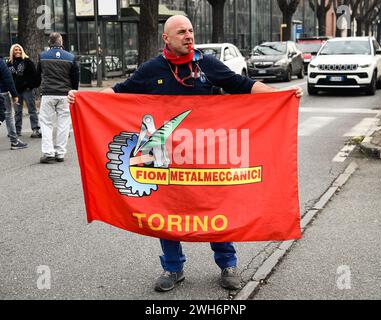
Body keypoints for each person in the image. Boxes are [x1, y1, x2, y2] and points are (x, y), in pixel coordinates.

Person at [68, 15, 303, 292]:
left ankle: (227, 265)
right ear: (166, 38)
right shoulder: (152, 69)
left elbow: (243, 85)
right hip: (167, 159)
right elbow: (120, 92)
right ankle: (173, 268)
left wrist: (281, 95)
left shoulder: (207, 65)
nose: (189, 36)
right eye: (181, 32)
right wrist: (85, 98)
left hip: (208, 156)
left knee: (217, 209)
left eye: (190, 30)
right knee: (166, 210)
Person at [37, 32, 79, 164]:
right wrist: (74, 91)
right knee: (64, 124)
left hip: (48, 93)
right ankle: (60, 153)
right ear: (61, 43)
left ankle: (48, 153)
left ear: (49, 43)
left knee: (46, 123)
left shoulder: (42, 56)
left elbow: (39, 75)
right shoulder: (70, 57)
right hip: (64, 94)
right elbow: (75, 77)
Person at [7, 44, 41, 138]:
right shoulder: (9, 64)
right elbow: (8, 78)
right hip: (16, 92)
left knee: (32, 110)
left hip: (27, 90)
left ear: (22, 51)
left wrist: (30, 86)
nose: (17, 51)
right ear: (12, 52)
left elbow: (35, 75)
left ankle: (35, 130)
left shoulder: (27, 61)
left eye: (19, 50)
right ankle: (17, 131)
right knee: (17, 111)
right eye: (15, 50)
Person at [0, 56, 28, 150]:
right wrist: (14, 95)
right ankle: (14, 141)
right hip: (2, 93)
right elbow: (8, 79)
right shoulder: (1, 62)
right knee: (8, 116)